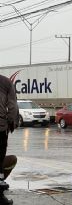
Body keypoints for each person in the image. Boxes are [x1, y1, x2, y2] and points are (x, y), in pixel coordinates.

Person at [0, 74, 18, 205]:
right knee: (0, 161)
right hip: (0, 128)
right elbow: (13, 107)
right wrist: (10, 123)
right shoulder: (5, 82)